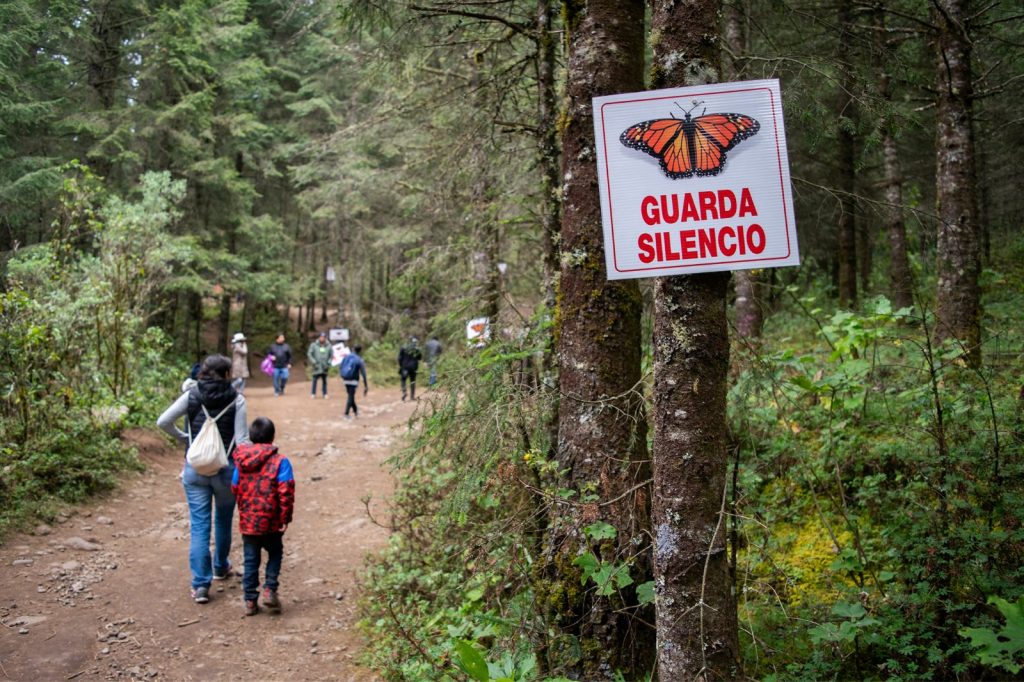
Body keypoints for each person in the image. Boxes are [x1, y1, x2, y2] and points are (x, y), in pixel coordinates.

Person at [157, 354, 249, 604]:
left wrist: (185, 438)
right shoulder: (237, 400)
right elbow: (241, 441)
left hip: (195, 469)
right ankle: (220, 567)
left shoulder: (192, 395)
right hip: (225, 469)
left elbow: (163, 421)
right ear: (228, 374)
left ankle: (200, 585)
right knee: (223, 520)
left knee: (199, 526)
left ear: (204, 372)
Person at [231, 417, 294, 616]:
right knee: (275, 553)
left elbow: (234, 486)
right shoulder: (281, 461)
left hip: (248, 521)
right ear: (272, 436)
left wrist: (245, 506)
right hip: (272, 520)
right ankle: (269, 589)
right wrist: (285, 518)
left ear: (250, 437)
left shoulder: (241, 460)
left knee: (250, 560)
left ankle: (250, 601)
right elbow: (286, 491)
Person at [340, 344, 368, 420]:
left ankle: (356, 411)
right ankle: (346, 413)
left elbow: (341, 366)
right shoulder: (359, 359)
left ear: (353, 349)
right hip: (353, 380)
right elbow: (363, 374)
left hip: (346, 379)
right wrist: (366, 386)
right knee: (350, 396)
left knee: (350, 396)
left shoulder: (346, 357)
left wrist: (342, 376)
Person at [307, 332, 332, 399]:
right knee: (314, 380)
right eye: (321, 337)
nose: (322, 338)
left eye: (323, 337)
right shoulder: (314, 345)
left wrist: (328, 363)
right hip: (316, 366)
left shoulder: (329, 345)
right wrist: (314, 362)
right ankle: (313, 393)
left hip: (325, 366)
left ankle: (325, 393)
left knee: (324, 381)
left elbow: (331, 356)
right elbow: (309, 354)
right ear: (319, 337)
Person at [397, 336, 422, 401]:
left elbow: (399, 358)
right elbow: (419, 358)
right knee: (412, 381)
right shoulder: (417, 349)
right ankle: (412, 396)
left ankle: (404, 392)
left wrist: (401, 365)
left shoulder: (403, 347)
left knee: (403, 380)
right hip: (413, 368)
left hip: (405, 367)